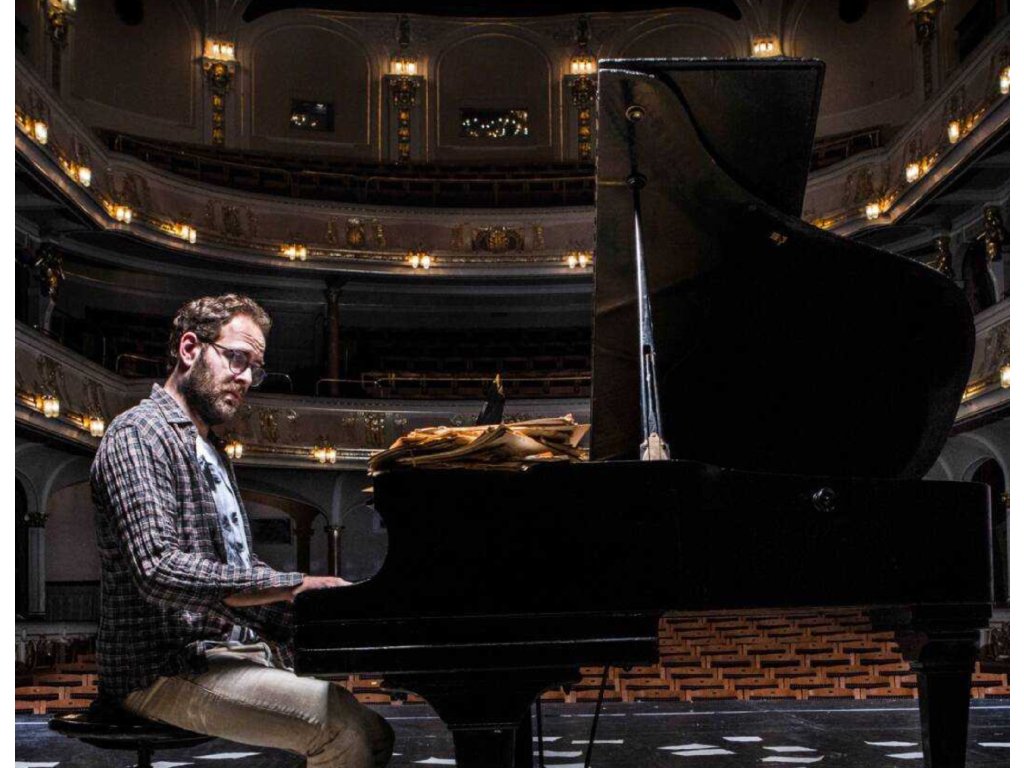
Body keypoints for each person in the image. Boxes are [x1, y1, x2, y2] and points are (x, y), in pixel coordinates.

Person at [91, 294, 394, 768]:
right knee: (342, 730)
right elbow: (158, 569)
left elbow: (235, 569)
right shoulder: (138, 433)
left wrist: (330, 611)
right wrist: (293, 584)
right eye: (237, 358)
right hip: (163, 668)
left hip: (230, 654)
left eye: (255, 367)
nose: (247, 378)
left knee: (376, 732)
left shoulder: (212, 449)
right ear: (189, 349)